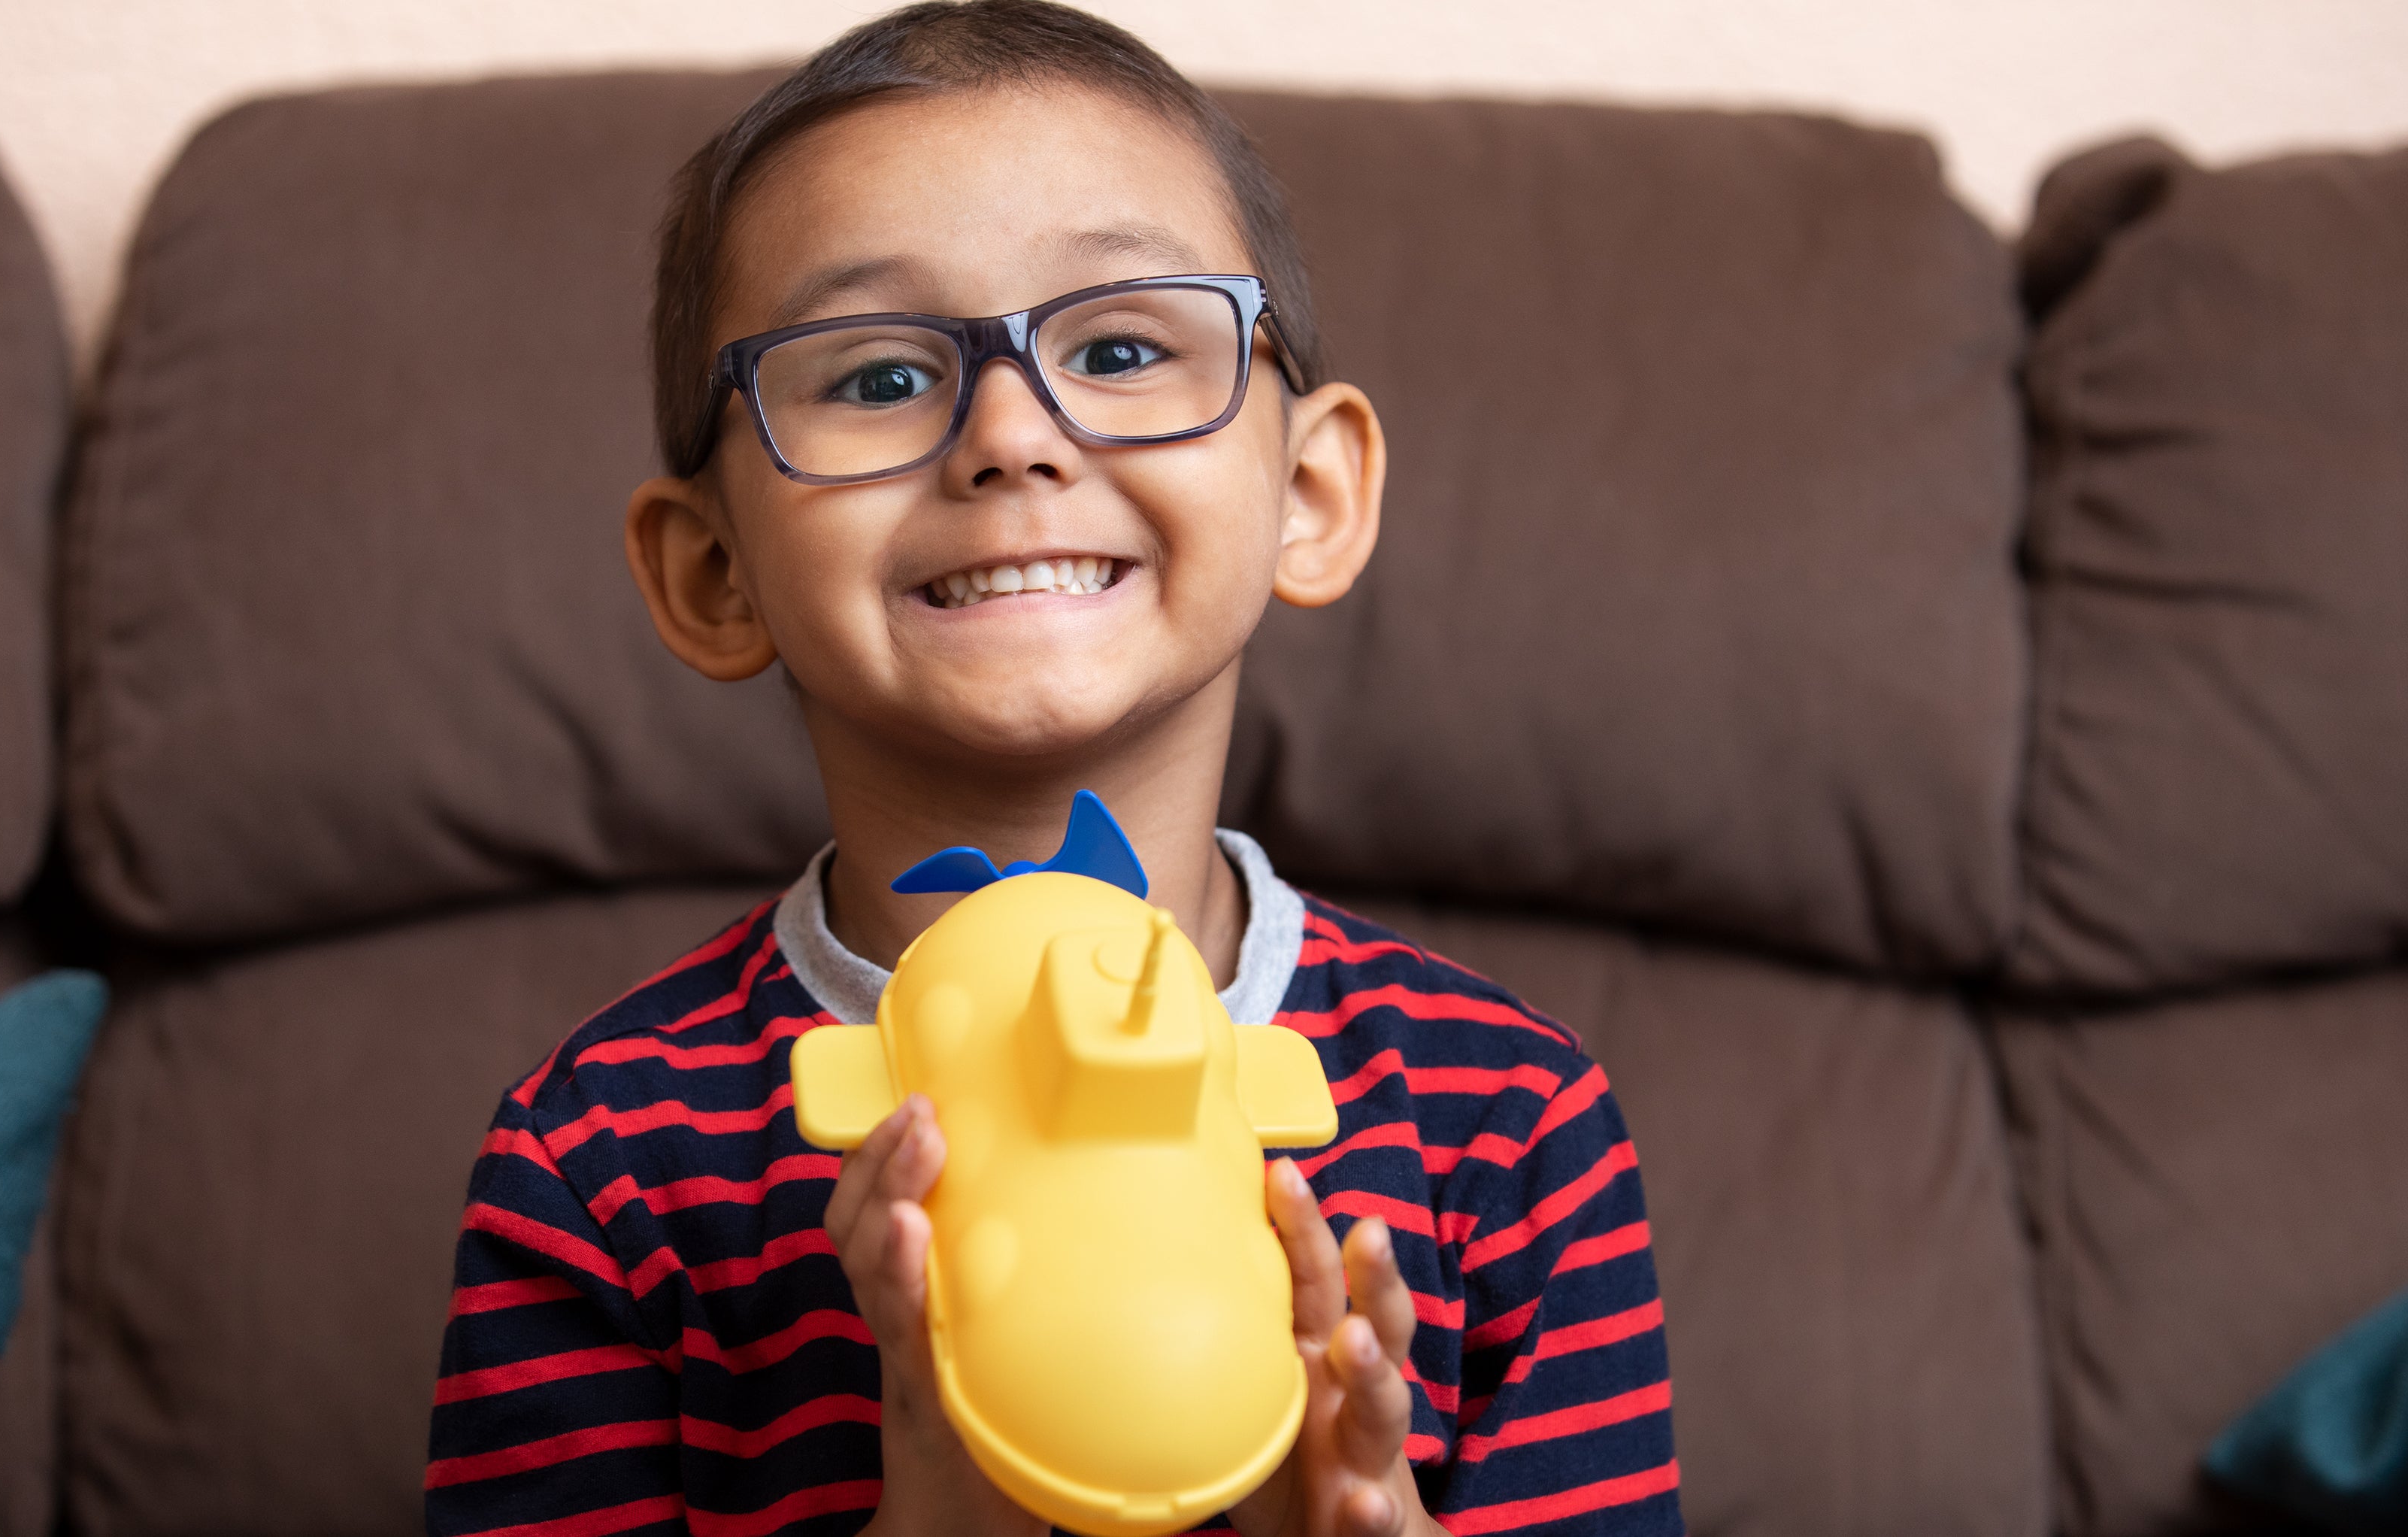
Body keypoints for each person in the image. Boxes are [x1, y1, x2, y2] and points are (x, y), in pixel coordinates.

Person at [427, 4, 1680, 1533]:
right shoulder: (596, 1161)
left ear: (1309, 491)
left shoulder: (1512, 1122)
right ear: (713, 572)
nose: (1011, 434)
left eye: (1124, 344)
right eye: (879, 377)